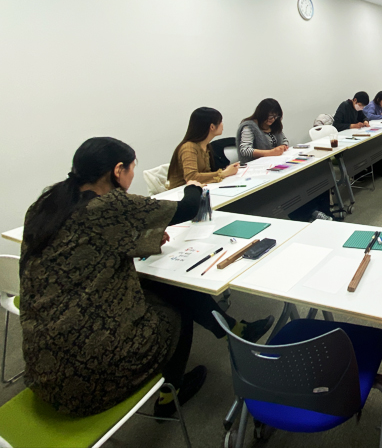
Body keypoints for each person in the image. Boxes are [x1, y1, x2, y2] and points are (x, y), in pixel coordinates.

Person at [19, 137, 274, 418]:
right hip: (90, 376)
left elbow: (88, 245)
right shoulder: (109, 205)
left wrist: (143, 238)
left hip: (43, 368)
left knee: (158, 283)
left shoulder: (46, 204)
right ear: (118, 171)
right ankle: (171, 393)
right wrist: (193, 186)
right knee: (176, 307)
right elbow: (187, 207)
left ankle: (232, 329)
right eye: (131, 169)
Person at [167, 107, 239, 189]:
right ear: (212, 127)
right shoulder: (189, 147)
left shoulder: (205, 145)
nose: (222, 124)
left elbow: (205, 172)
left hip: (200, 189)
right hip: (181, 193)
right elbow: (191, 177)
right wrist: (223, 173)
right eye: (220, 122)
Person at [236, 98, 290, 164]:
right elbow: (245, 150)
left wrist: (283, 146)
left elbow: (284, 140)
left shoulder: (274, 125)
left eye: (275, 116)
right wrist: (270, 153)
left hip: (275, 161)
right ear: (262, 114)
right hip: (255, 164)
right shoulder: (249, 126)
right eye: (270, 116)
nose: (273, 119)